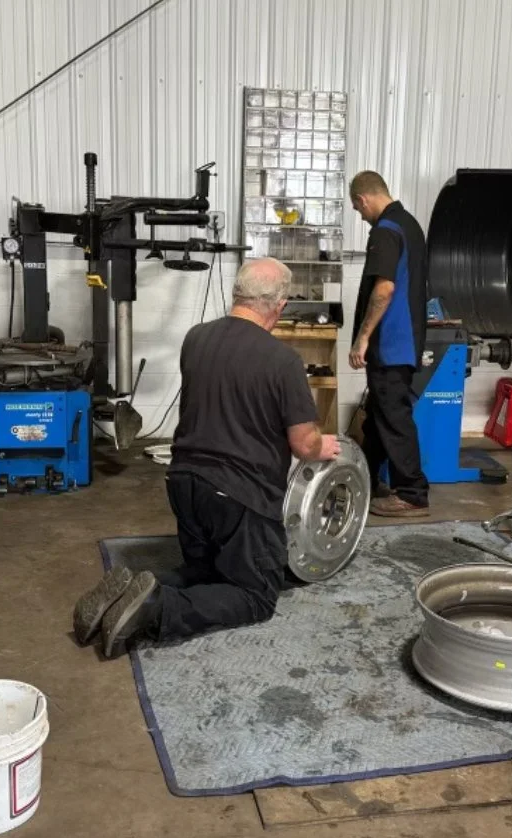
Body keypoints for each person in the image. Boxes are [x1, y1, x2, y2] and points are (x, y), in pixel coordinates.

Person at [78, 257, 341, 659]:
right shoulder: (283, 361)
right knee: (255, 596)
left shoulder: (196, 338)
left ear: (238, 294)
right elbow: (304, 445)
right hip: (238, 499)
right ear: (280, 304)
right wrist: (324, 444)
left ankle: (129, 589)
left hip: (183, 486)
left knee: (207, 573)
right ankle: (156, 609)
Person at [347, 170, 429, 518]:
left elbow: (385, 289)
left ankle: (411, 493)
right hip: (404, 341)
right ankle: (366, 476)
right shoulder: (410, 225)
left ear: (363, 200)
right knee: (380, 415)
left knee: (394, 417)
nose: (360, 216)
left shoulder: (385, 230)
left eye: (357, 209)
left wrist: (362, 337)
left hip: (391, 344)